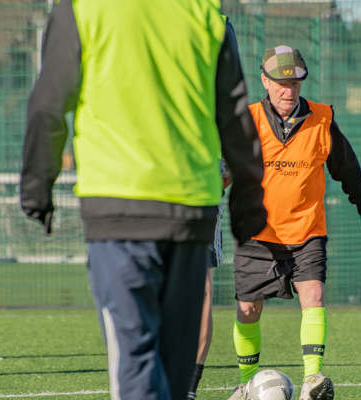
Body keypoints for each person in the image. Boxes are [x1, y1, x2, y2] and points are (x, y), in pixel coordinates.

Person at [19, 1, 267, 399]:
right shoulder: (206, 15)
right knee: (173, 370)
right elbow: (235, 114)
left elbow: (49, 105)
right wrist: (249, 203)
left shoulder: (83, 9)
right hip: (190, 211)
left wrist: (36, 188)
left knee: (135, 364)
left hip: (119, 209)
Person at [228, 45, 361, 400]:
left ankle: (313, 379)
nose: (288, 90)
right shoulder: (247, 120)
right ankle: (248, 383)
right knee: (248, 309)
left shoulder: (322, 119)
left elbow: (346, 167)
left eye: (295, 82)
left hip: (307, 229)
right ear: (264, 81)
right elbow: (224, 168)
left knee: (313, 294)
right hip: (256, 230)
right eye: (280, 82)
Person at [187, 165, 231, 400]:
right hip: (171, 204)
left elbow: (227, 174)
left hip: (196, 207)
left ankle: (188, 387)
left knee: (201, 293)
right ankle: (187, 388)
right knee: (199, 293)